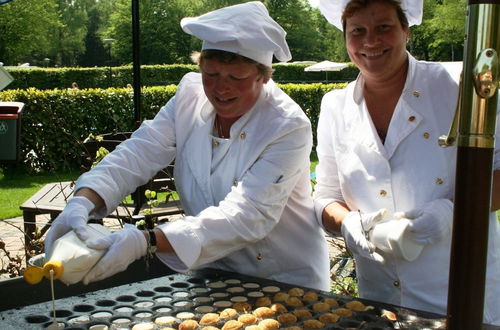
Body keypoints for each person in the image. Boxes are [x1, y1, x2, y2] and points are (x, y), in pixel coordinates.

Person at [44, 1, 330, 291]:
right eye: (211, 74)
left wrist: (148, 240)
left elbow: (248, 214)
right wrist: (82, 201)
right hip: (212, 275)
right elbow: (138, 153)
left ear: (263, 75)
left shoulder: (286, 125)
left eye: (236, 77)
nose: (221, 88)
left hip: (285, 279)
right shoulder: (189, 99)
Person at [314, 0, 500, 325]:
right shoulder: (335, 106)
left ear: (406, 31)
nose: (371, 41)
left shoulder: (458, 88)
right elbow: (326, 196)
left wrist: (452, 211)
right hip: (380, 296)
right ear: (346, 39)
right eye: (358, 31)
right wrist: (348, 223)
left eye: (384, 27)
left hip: (459, 290)